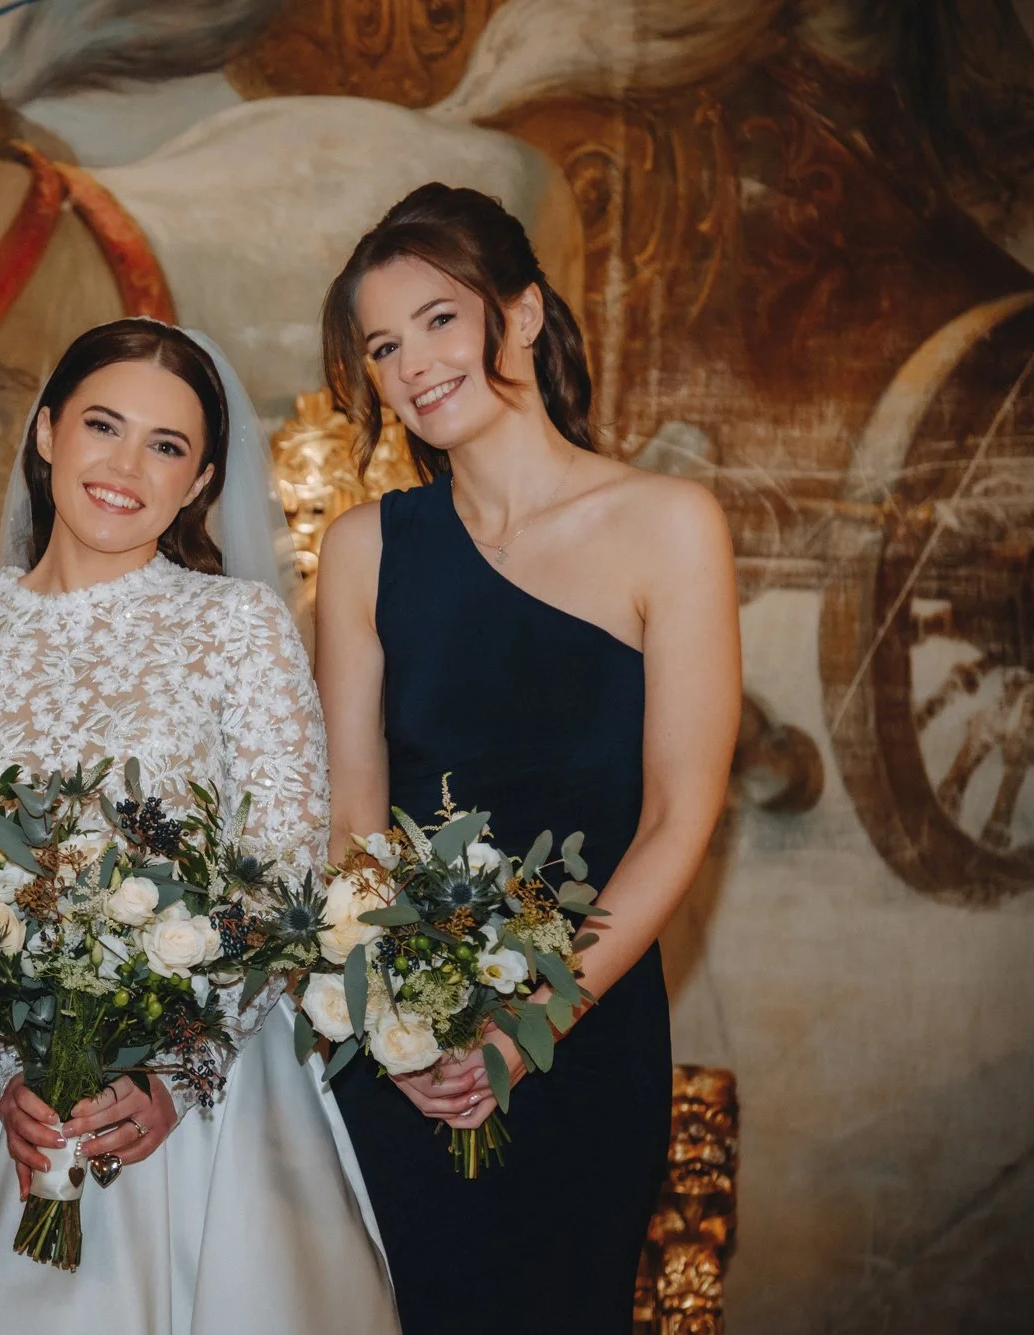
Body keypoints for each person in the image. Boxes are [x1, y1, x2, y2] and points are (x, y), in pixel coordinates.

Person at [0, 319, 398, 1335]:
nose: (126, 466)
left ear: (200, 481)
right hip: (8, 1099)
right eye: (103, 425)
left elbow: (285, 875)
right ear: (48, 432)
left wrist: (177, 1073)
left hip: (206, 1091)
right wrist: (9, 1070)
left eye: (165, 445)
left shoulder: (238, 627)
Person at [314, 183, 740, 1331]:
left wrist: (529, 1024)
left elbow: (677, 817)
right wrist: (393, 1022)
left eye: (437, 320)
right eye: (382, 347)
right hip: (402, 1055)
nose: (411, 365)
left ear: (523, 312)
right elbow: (351, 825)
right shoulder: (364, 549)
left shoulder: (669, 524)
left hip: (583, 1041)